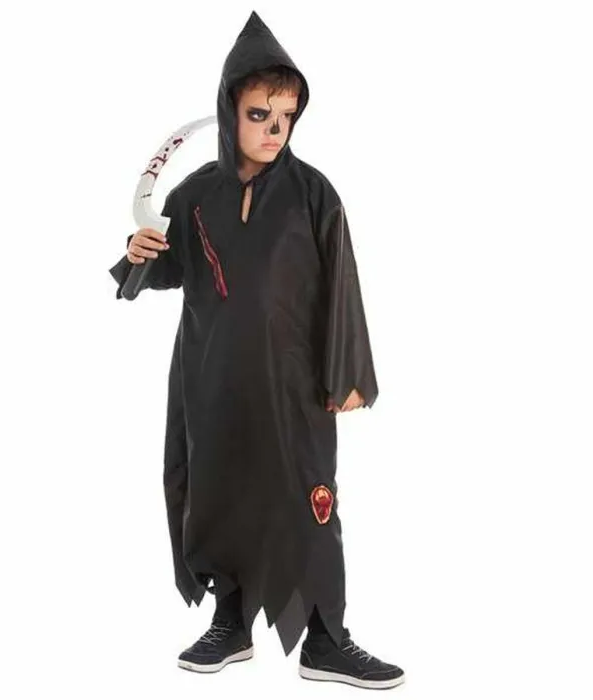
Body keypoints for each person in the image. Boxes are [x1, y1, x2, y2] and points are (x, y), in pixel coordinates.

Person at [109, 10, 405, 690]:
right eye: (259, 114)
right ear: (229, 109)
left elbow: (343, 283)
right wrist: (138, 253)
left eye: (287, 116)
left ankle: (326, 639)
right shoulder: (195, 196)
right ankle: (230, 622)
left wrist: (347, 373)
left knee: (308, 501)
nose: (276, 129)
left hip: (292, 384)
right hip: (210, 378)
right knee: (218, 494)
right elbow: (166, 266)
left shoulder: (313, 195)